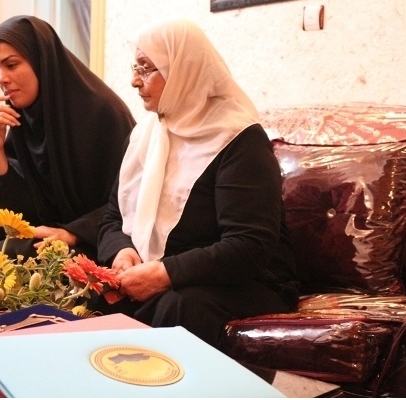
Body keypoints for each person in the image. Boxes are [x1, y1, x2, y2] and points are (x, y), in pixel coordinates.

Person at [93, 19, 300, 350]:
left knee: (177, 307)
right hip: (164, 275)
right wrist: (123, 252)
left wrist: (165, 273)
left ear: (182, 70)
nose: (134, 81)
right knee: (94, 295)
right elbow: (113, 217)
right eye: (136, 67)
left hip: (245, 281)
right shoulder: (146, 135)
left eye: (146, 68)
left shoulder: (237, 138)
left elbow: (249, 245)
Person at [0, 15, 135, 262]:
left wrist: (72, 233)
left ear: (42, 61)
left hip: (95, 237)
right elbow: (24, 205)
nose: (1, 78)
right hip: (45, 228)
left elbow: (129, 199)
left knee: (16, 251)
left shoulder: (103, 112)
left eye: (11, 65)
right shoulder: (26, 116)